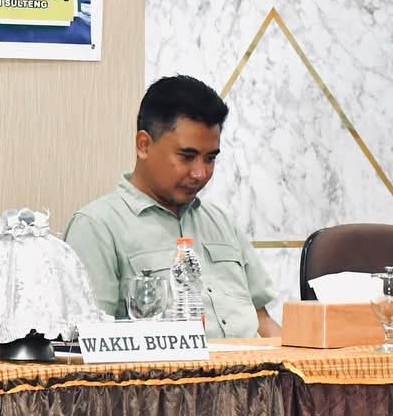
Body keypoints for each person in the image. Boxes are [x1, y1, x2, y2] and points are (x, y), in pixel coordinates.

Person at [64, 75, 281, 338]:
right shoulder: (97, 227)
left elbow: (262, 320)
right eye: (187, 156)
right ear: (143, 145)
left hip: (256, 363)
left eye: (210, 158)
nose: (201, 173)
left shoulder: (221, 222)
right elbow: (86, 339)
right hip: (168, 367)